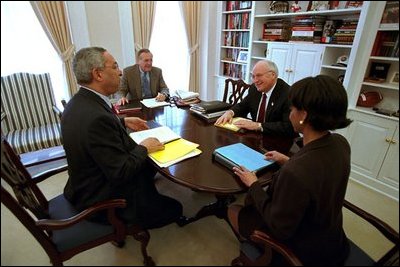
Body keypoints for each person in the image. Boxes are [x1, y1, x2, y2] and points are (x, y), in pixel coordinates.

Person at [227, 75, 353, 265]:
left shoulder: (296, 172)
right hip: (333, 238)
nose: (290, 113)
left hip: (305, 253)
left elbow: (278, 227)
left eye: (292, 109)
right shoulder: (340, 144)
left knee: (234, 210)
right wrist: (288, 160)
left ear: (303, 116)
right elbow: (316, 172)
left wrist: (253, 185)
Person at [61, 47, 182, 228]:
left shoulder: (79, 102)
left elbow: (96, 127)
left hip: (82, 182)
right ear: (98, 74)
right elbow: (121, 172)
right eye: (115, 66)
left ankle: (148, 190)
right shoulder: (96, 119)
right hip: (101, 198)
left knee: (148, 166)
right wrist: (144, 147)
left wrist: (122, 121)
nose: (119, 72)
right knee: (176, 208)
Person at [215, 60, 296, 137]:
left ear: (273, 75)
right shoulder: (254, 89)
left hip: (278, 141)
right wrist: (230, 113)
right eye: (253, 76)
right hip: (256, 137)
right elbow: (242, 106)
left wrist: (258, 126)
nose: (255, 81)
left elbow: (288, 127)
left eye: (259, 75)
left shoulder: (288, 94)